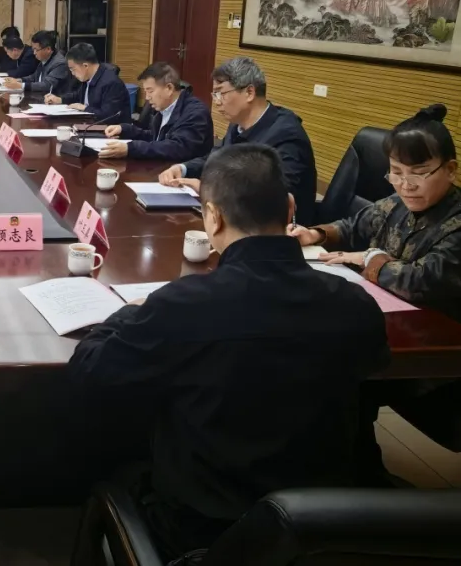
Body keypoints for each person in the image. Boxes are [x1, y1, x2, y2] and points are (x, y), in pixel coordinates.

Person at [69, 144, 387, 561]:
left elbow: (90, 371)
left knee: (119, 465)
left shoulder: (183, 305)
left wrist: (129, 314)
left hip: (203, 531)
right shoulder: (354, 303)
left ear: (213, 216)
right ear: (291, 208)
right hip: (320, 530)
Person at [290, 104, 461, 312]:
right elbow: (353, 227)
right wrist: (313, 235)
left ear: (450, 170)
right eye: (396, 172)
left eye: (418, 173)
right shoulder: (396, 203)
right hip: (380, 307)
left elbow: (421, 281)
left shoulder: (455, 222)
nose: (406, 186)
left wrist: (369, 258)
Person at [159, 56, 317, 225]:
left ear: (249, 93)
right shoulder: (238, 124)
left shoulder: (286, 135)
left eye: (221, 93)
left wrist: (209, 190)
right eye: (215, 94)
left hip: (274, 230)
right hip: (233, 217)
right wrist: (183, 168)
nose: (216, 102)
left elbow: (276, 200)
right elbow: (217, 159)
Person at [98, 61, 214, 161]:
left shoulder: (195, 112)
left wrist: (131, 148)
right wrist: (124, 129)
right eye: (145, 92)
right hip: (161, 167)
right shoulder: (163, 107)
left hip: (183, 175)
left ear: (169, 88)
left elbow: (177, 147)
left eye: (150, 91)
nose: (147, 97)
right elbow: (156, 138)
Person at [42, 42, 128, 122]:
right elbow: (78, 95)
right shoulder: (88, 77)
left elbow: (109, 116)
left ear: (85, 66)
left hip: (109, 129)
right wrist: (59, 99)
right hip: (88, 123)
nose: (72, 73)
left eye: (72, 69)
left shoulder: (111, 83)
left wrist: (85, 108)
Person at [5, 31, 69, 95]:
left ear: (48, 49)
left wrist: (21, 85)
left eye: (36, 50)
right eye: (33, 49)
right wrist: (18, 80)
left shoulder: (59, 63)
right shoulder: (44, 59)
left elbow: (47, 85)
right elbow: (34, 77)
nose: (34, 53)